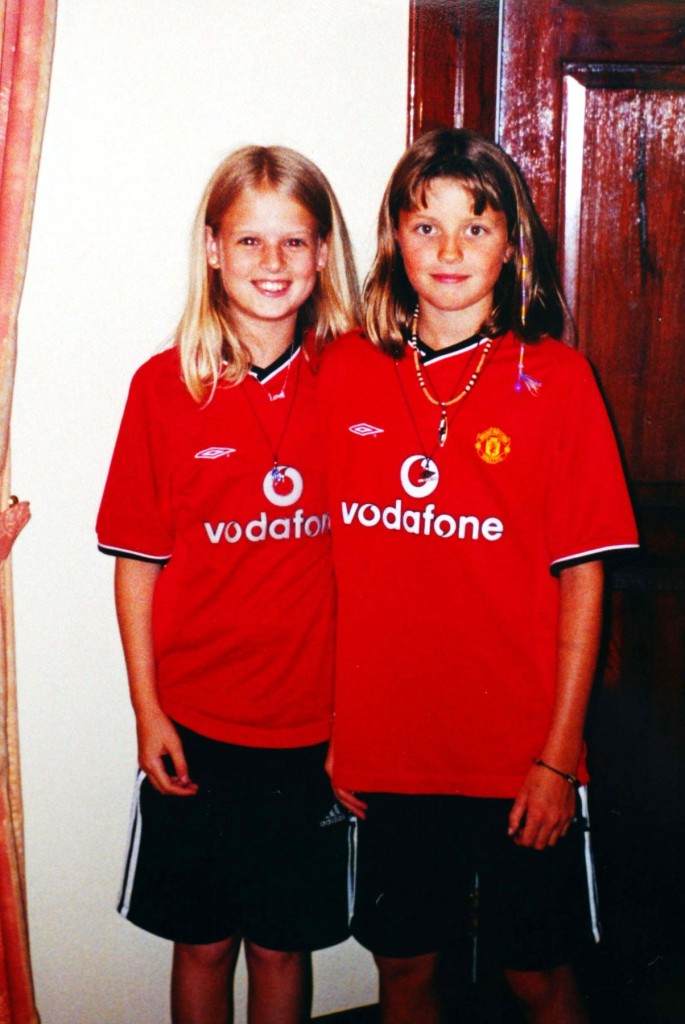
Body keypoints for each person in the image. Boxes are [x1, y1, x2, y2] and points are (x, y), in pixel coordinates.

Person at [319, 129, 638, 1024]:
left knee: (534, 975)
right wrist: (334, 729)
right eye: (425, 227)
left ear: (512, 244)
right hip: (388, 757)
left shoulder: (559, 380)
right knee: (406, 971)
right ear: (393, 240)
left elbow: (582, 582)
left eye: (475, 226)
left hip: (517, 758)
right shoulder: (343, 371)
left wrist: (555, 756)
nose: (449, 250)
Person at [96, 145, 360, 1024]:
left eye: (294, 242)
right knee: (204, 944)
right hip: (198, 725)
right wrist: (148, 712)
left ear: (322, 254)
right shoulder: (163, 388)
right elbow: (139, 567)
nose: (272, 264)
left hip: (313, 729)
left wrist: (361, 723)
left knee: (284, 946)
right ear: (212, 249)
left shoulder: (356, 381)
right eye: (250, 242)